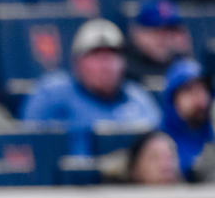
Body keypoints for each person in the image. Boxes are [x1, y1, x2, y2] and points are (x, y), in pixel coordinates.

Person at [22, 18, 161, 155]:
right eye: (96, 56)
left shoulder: (138, 98)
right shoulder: (52, 94)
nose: (106, 65)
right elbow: (33, 145)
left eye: (112, 56)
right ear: (76, 62)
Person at [159, 59, 213, 180]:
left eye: (203, 89)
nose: (199, 98)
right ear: (172, 99)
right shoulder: (158, 142)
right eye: (188, 90)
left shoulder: (212, 135)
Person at [123, 0, 192, 90]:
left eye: (170, 31)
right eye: (156, 31)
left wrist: (187, 56)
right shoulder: (122, 67)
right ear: (138, 33)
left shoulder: (180, 64)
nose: (164, 38)